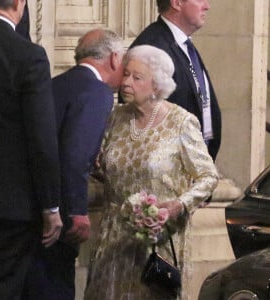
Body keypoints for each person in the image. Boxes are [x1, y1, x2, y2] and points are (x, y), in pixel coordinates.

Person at [84, 45, 219, 300]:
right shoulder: (115, 117)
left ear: (157, 85)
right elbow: (103, 167)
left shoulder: (181, 122)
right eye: (126, 74)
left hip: (159, 239)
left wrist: (178, 206)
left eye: (137, 77)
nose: (126, 82)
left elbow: (208, 177)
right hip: (114, 236)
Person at [22, 28, 125, 300]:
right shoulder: (97, 91)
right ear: (114, 58)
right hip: (60, 213)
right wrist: (78, 210)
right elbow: (75, 154)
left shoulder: (57, 83)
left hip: (30, 205)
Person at [0, 0, 62, 299]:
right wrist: (51, 206)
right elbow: (42, 138)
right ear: (20, 4)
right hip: (11, 206)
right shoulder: (29, 56)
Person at [128, 0, 221, 162]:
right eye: (200, 0)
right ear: (177, 3)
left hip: (192, 165)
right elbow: (143, 118)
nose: (207, 6)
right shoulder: (152, 46)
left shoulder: (183, 44)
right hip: (168, 171)